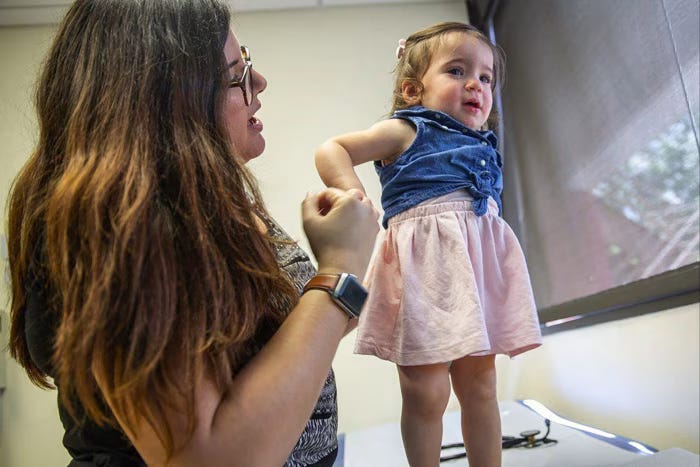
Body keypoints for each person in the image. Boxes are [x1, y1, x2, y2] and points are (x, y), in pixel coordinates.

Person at [7, 0, 379, 466]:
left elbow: (294, 344)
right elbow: (206, 457)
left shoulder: (211, 202)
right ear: (170, 104)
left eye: (248, 63)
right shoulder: (123, 218)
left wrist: (343, 275)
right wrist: (338, 270)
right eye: (235, 76)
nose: (258, 83)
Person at [315, 21, 543, 467]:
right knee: (426, 390)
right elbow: (332, 149)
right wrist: (355, 197)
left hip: (474, 269)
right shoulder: (406, 129)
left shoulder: (486, 144)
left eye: (485, 77)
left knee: (481, 385)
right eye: (457, 71)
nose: (475, 84)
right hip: (424, 268)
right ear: (412, 91)